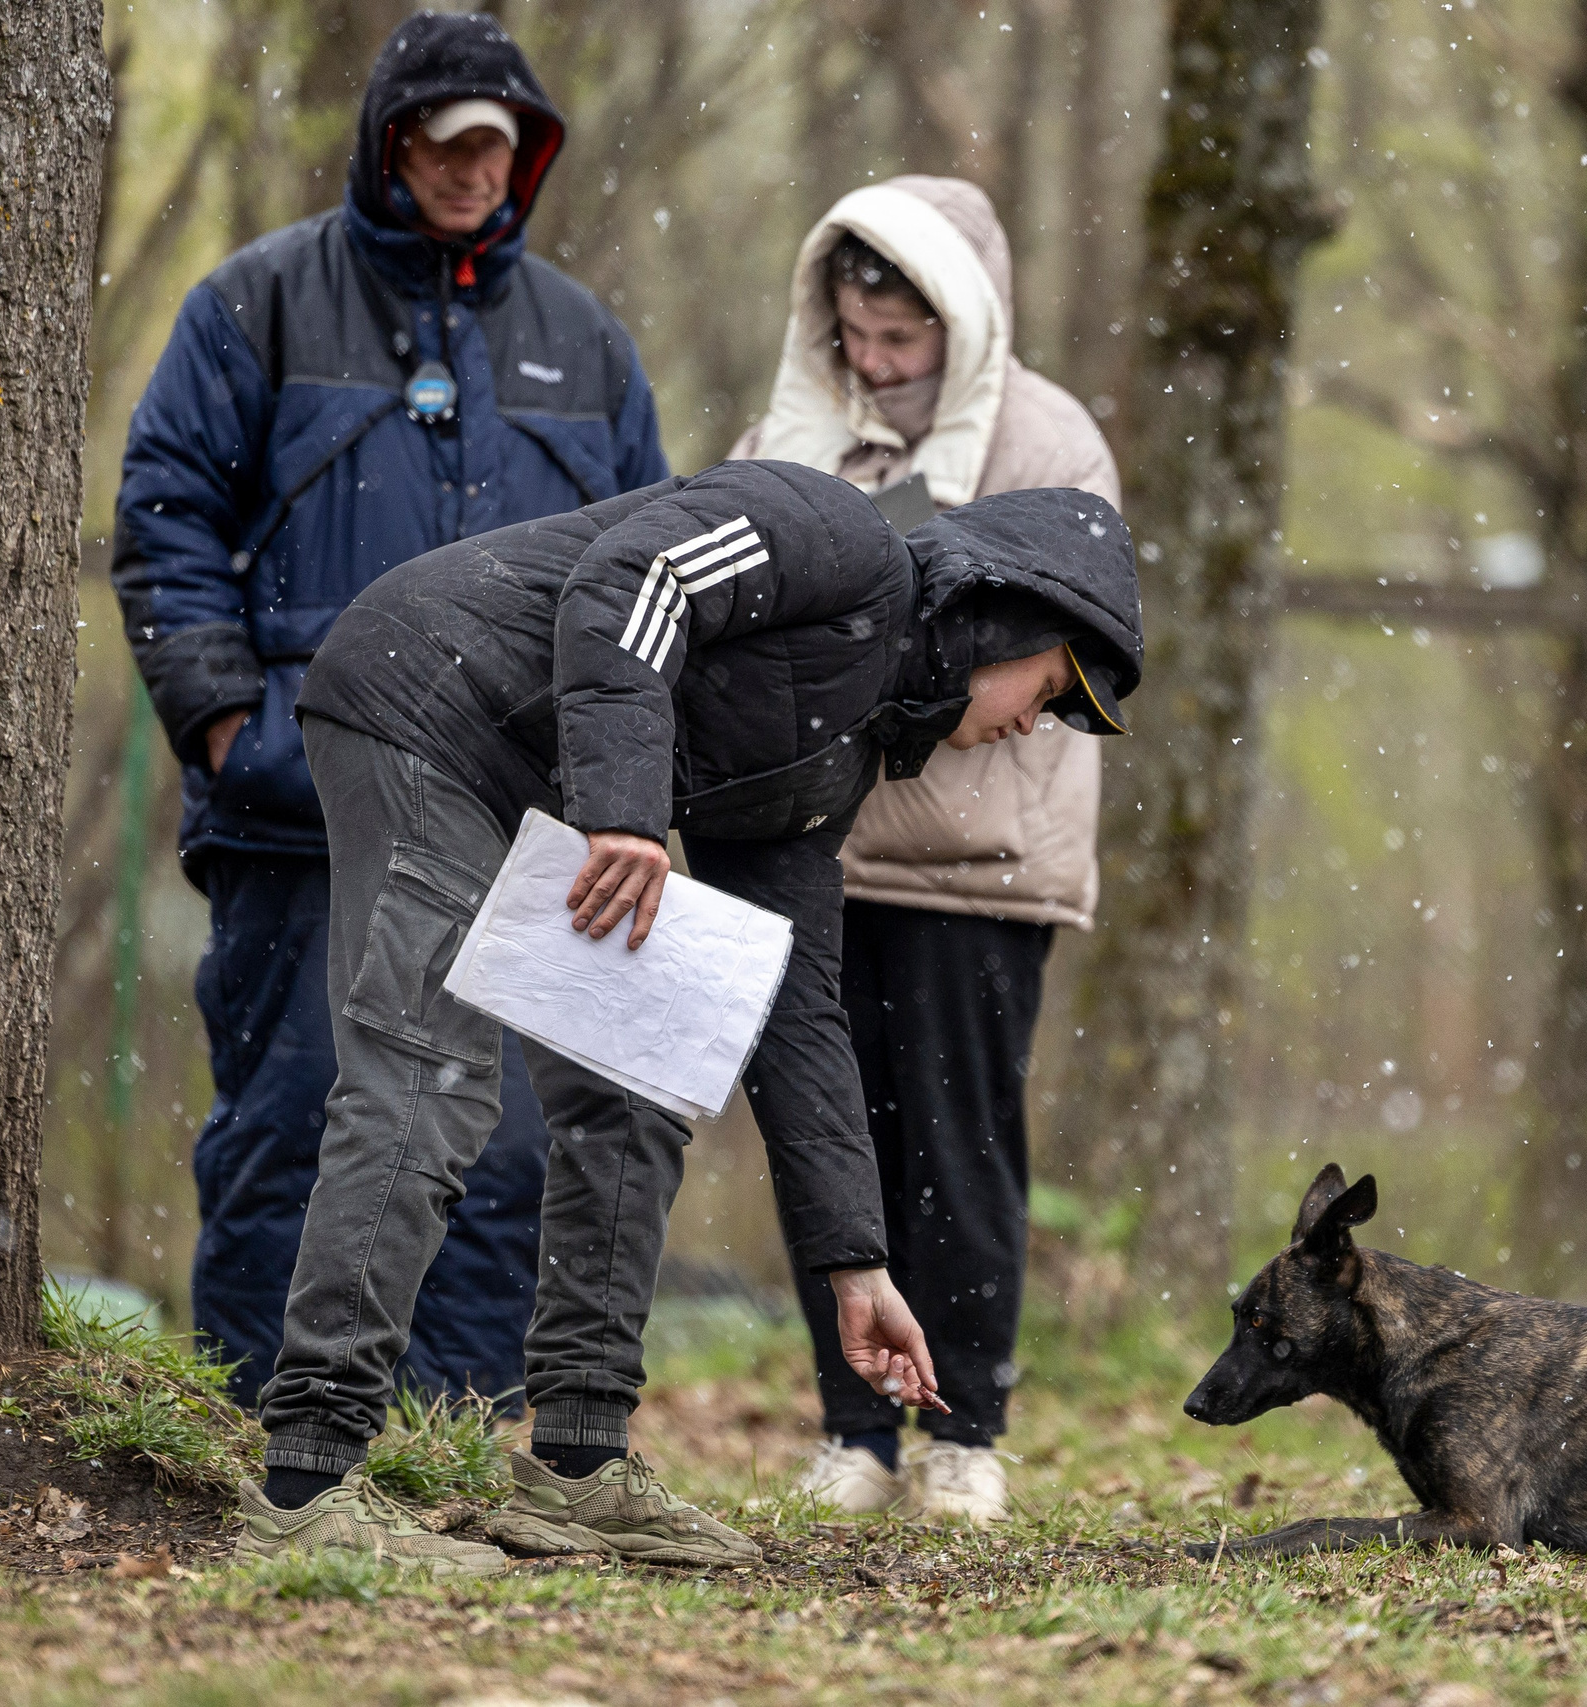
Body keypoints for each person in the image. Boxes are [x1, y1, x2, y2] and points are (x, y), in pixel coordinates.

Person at [232, 459, 1144, 1573]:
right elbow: (636, 578)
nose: (1031, 726)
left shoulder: (833, 766)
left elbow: (797, 1012)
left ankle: (575, 1467)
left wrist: (856, 1266)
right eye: (1048, 692)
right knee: (428, 1084)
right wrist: (625, 813)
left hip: (556, 779)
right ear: (1006, 617)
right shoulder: (836, 536)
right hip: (427, 700)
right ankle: (304, 1483)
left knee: (639, 1088)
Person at [111, 10, 666, 1410]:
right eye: (449, 141)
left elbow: (651, 572)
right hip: (303, 808)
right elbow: (167, 513)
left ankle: (453, 1438)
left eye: (500, 144)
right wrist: (233, 727)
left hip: (517, 824)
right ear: (390, 144)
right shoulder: (260, 302)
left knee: (502, 1146)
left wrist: (624, 784)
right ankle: (265, 1433)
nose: (476, 169)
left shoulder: (586, 346)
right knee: (297, 1124)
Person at [732, 177, 1119, 1522]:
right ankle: (857, 1430)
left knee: (958, 1149)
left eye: (903, 345)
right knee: (831, 1146)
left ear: (959, 322)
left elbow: (1027, 658)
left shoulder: (1053, 442)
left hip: (977, 862)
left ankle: (966, 1428)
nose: (879, 369)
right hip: (814, 852)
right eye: (858, 341)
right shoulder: (790, 434)